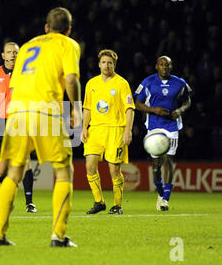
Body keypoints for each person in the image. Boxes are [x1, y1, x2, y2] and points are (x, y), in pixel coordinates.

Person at [0, 7, 82, 247]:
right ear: (69, 29)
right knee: (63, 172)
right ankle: (58, 236)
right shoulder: (68, 44)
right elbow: (71, 79)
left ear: (46, 27)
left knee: (14, 173)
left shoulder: (29, 45)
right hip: (45, 111)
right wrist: (76, 108)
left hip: (17, 112)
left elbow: (13, 86)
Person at [0, 42, 37, 213]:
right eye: (9, 52)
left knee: (25, 162)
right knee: (1, 167)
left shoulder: (26, 74)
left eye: (16, 52)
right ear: (3, 55)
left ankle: (29, 202)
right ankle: (10, 193)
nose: (12, 55)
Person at [134, 56, 191, 211]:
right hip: (154, 127)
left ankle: (166, 199)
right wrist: (154, 110)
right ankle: (160, 192)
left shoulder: (179, 82)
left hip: (172, 127)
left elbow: (188, 101)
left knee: (169, 161)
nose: (164, 67)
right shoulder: (148, 82)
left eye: (167, 64)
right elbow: (136, 103)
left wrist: (180, 110)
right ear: (156, 66)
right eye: (161, 64)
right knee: (156, 166)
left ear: (171, 66)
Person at [81, 49, 135, 215]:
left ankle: (118, 205)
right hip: (95, 130)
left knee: (114, 169)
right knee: (90, 166)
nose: (106, 65)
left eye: (109, 63)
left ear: (114, 65)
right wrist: (84, 127)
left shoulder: (122, 83)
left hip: (115, 130)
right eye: (103, 62)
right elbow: (88, 108)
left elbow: (129, 109)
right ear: (99, 64)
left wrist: (128, 130)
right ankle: (99, 201)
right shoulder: (92, 84)